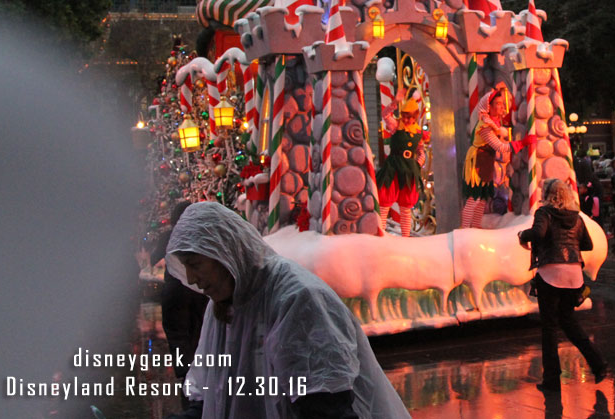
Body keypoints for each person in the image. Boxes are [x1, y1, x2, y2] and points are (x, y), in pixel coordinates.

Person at [164, 202, 409, 419]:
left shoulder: (298, 300)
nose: (191, 279)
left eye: (195, 265)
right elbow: (215, 396)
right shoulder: (224, 306)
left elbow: (324, 405)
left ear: (224, 251)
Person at [518, 178, 608, 394]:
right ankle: (598, 363)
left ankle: (551, 378)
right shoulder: (576, 217)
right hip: (573, 274)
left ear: (548, 194)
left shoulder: (544, 213)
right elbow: (587, 244)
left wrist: (523, 235)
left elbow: (538, 233)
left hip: (551, 273)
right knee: (568, 322)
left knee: (549, 327)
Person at [150, 201, 209, 410]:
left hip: (175, 291)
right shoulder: (201, 235)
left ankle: (187, 386)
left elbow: (153, 257)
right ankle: (199, 387)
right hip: (199, 292)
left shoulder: (170, 235)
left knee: (179, 338)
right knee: (199, 334)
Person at [461, 83, 529, 228]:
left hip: (486, 161)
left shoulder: (495, 124)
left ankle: (475, 228)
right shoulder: (485, 126)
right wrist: (522, 143)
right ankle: (465, 230)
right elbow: (500, 147)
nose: (500, 106)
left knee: (482, 198)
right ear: (489, 106)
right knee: (474, 197)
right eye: (497, 103)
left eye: (501, 103)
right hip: (478, 161)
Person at [375, 88, 428, 237]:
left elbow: (421, 151)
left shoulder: (418, 132)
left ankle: (405, 237)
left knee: (406, 207)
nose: (406, 120)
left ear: (416, 116)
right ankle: (381, 234)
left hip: (409, 170)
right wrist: (395, 102)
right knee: (385, 202)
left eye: (410, 117)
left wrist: (418, 163)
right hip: (393, 167)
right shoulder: (396, 126)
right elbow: (385, 115)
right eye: (404, 116)